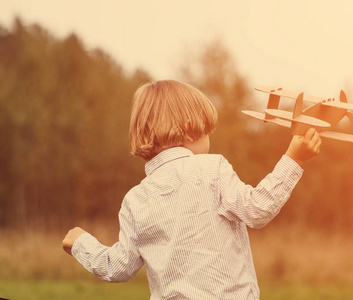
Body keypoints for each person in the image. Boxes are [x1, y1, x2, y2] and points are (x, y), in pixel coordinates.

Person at [62, 80, 321, 299]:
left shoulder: (135, 200)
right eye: (206, 132)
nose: (209, 140)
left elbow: (118, 267)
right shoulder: (211, 169)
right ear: (188, 130)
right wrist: (293, 159)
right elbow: (257, 209)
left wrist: (81, 243)